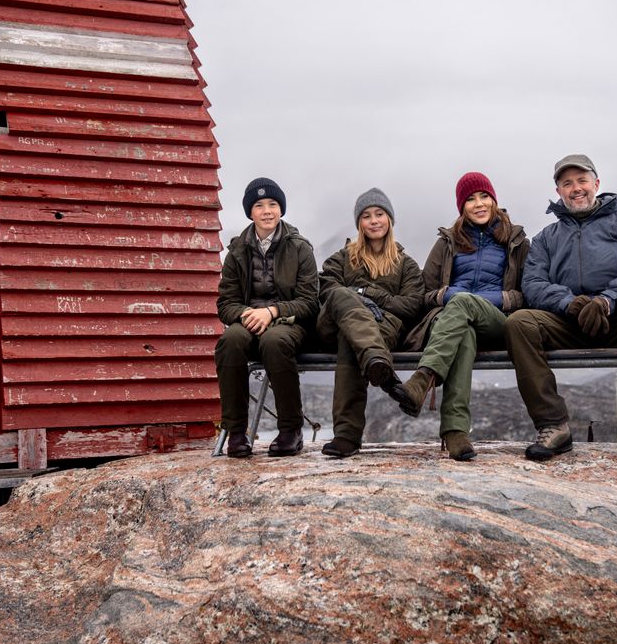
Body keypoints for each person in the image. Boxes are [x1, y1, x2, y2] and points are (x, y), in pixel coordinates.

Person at [504, 154, 617, 464]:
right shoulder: (546, 238)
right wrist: (569, 303)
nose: (576, 188)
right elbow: (533, 283)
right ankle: (553, 426)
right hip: (566, 324)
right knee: (519, 323)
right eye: (567, 183)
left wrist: (607, 301)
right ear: (558, 191)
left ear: (596, 184)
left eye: (582, 181)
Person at [394, 172, 528, 461]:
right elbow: (425, 293)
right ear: (461, 207)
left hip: (497, 322)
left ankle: (423, 377)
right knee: (463, 329)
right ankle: (456, 432)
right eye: (470, 199)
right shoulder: (447, 242)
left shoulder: (515, 241)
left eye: (484, 197)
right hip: (454, 324)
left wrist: (478, 298)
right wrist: (446, 296)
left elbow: (525, 294)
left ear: (494, 200)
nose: (479, 204)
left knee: (465, 304)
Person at [215, 177, 319, 458]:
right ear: (250, 212)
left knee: (274, 341)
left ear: (281, 209)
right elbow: (226, 303)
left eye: (273, 204)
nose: (267, 211)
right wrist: (247, 314)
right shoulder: (237, 250)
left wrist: (272, 311)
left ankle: (290, 430)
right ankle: (236, 433)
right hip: (250, 321)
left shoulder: (300, 248)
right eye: (259, 205)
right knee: (230, 340)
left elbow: (310, 302)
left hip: (290, 323)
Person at [317, 188, 425, 458]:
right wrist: (359, 301)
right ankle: (378, 364)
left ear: (389, 219)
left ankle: (346, 436)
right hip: (333, 326)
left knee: (351, 339)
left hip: (382, 330)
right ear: (359, 223)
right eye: (366, 216)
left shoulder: (406, 265)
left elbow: (412, 305)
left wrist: (369, 294)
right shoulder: (341, 259)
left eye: (379, 214)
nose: (374, 220)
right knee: (342, 296)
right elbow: (327, 291)